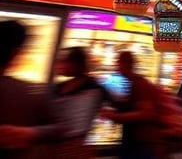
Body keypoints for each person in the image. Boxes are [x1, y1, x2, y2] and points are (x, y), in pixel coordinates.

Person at [0, 19, 62, 158]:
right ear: (15, 53)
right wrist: (31, 132)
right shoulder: (29, 91)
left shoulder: (28, 91)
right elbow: (58, 129)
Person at [100, 50, 161, 159]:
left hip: (141, 146)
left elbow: (146, 113)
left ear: (126, 64)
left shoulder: (140, 84)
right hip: (132, 142)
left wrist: (115, 116)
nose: (116, 66)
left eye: (118, 62)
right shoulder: (130, 83)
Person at [50, 46, 108, 158]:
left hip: (79, 147)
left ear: (75, 64)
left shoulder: (94, 88)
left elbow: (104, 115)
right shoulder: (59, 88)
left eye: (64, 61)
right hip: (61, 146)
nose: (59, 64)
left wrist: (92, 143)